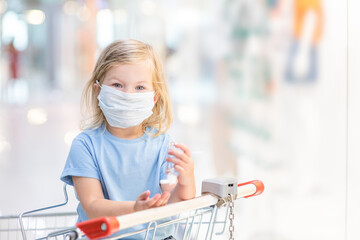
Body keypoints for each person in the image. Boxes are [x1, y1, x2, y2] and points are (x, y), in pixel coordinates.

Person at [60, 39, 196, 239]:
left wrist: (186, 180)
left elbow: (174, 203)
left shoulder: (164, 146)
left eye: (140, 88)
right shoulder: (85, 145)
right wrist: (135, 208)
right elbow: (93, 206)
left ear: (154, 98)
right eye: (117, 85)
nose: (128, 95)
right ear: (99, 91)